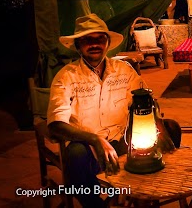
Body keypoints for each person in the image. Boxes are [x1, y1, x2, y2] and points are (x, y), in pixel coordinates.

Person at [47, 13, 181, 207]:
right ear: (78, 46)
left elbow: (146, 100)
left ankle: (147, 193)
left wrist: (158, 124)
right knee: (75, 155)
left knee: (171, 128)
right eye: (87, 40)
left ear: (107, 43)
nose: (95, 44)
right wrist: (94, 139)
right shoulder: (66, 76)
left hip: (124, 140)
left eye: (100, 39)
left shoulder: (124, 70)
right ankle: (95, 202)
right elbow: (56, 125)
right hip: (88, 146)